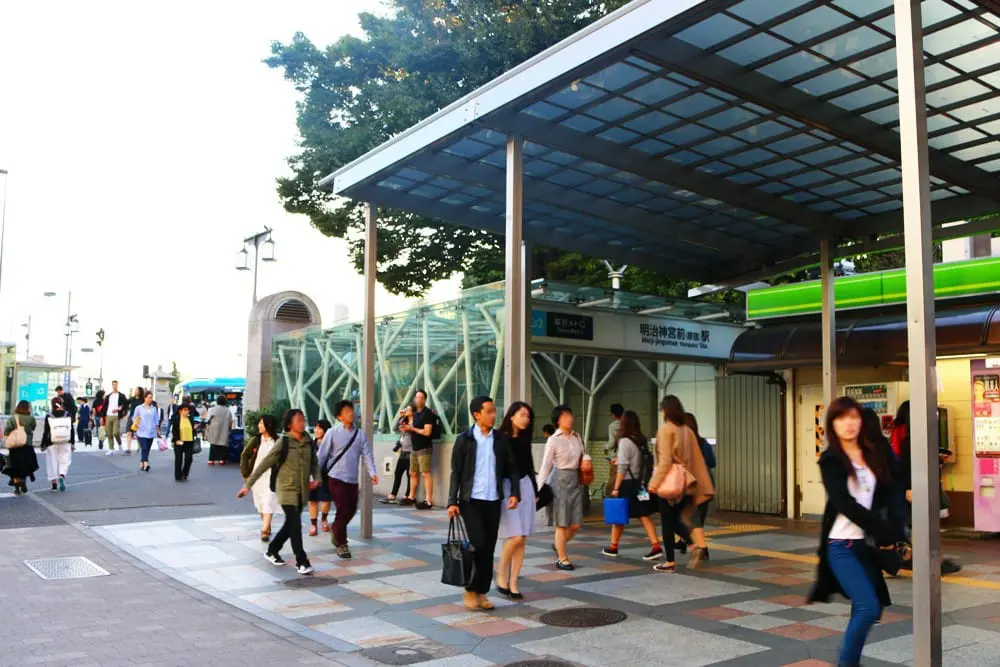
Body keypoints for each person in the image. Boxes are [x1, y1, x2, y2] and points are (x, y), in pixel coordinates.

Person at [808, 396, 906, 667]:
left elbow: (889, 488)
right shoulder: (831, 459)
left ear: (862, 421)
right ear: (832, 424)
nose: (848, 423)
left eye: (853, 417)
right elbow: (844, 503)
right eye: (841, 418)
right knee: (867, 607)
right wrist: (883, 529)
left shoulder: (871, 454)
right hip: (841, 546)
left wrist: (896, 526)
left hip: (865, 544)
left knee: (870, 608)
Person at [447, 396, 520, 611]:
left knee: (488, 548)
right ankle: (470, 589)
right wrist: (452, 501)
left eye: (494, 411)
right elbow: (456, 472)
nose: (493, 415)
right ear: (476, 415)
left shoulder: (500, 439)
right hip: (471, 501)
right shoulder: (464, 440)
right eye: (489, 411)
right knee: (477, 544)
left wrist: (515, 493)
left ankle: (481, 592)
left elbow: (512, 468)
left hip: (493, 500)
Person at [238, 409, 319, 575]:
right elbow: (264, 464)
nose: (302, 423)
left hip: (302, 490)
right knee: (295, 523)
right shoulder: (283, 442)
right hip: (286, 489)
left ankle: (272, 550)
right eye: (298, 420)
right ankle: (302, 561)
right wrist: (248, 485)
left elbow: (315, 463)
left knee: (290, 524)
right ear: (289, 424)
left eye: (303, 420)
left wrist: (317, 478)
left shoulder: (308, 441)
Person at [649, 395, 714, 573]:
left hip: (669, 482)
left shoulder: (666, 430)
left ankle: (670, 561)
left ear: (665, 411)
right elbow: (696, 459)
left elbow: (665, 461)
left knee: (667, 522)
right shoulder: (687, 431)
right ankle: (693, 546)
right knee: (676, 519)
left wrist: (654, 483)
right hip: (686, 482)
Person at [318, 401, 377, 559]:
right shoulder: (332, 433)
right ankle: (342, 544)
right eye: (346, 411)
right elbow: (321, 456)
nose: (351, 413)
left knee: (351, 509)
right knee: (343, 509)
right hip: (335, 477)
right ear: (339, 417)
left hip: (352, 479)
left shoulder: (360, 435)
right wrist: (314, 476)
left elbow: (367, 455)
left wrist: (372, 472)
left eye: (351, 410)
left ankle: (335, 527)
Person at [603, 410, 662, 561]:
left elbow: (623, 467)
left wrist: (616, 488)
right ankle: (654, 545)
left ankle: (614, 547)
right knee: (644, 514)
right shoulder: (641, 440)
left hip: (627, 484)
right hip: (639, 483)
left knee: (619, 515)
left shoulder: (624, 441)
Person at [495, 401, 537, 600]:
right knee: (516, 536)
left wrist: (535, 489)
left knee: (522, 539)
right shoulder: (500, 438)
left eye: (528, 416)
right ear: (511, 416)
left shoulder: (524, 439)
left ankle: (513, 582)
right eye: (522, 415)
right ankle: (501, 574)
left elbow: (529, 465)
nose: (526, 419)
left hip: (526, 486)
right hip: (507, 488)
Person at [538, 404, 585, 571]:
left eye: (570, 415)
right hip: (559, 482)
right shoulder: (553, 440)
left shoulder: (577, 437)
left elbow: (583, 455)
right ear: (558, 420)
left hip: (576, 481)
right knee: (562, 523)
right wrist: (538, 488)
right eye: (565, 416)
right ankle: (562, 558)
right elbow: (546, 465)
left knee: (576, 524)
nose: (570, 419)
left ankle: (559, 544)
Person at [677, 412, 716, 561]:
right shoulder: (703, 443)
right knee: (697, 514)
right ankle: (683, 541)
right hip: (706, 482)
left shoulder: (684, 444)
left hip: (690, 483)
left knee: (689, 516)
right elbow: (712, 462)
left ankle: (702, 548)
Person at [241, 414, 282, 541]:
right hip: (257, 476)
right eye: (259, 423)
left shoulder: (278, 441)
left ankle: (264, 530)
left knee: (268, 501)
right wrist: (245, 472)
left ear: (269, 425)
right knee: (260, 503)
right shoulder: (256, 440)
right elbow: (245, 455)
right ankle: (267, 526)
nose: (259, 425)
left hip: (271, 476)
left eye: (261, 423)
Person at [402, 389, 437, 509]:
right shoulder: (415, 414)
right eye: (417, 397)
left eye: (421, 397)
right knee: (412, 473)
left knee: (425, 473)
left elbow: (427, 432)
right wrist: (407, 425)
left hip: (424, 448)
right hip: (414, 447)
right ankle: (411, 497)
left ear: (425, 399)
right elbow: (410, 427)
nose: (418, 400)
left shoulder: (428, 413)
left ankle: (428, 501)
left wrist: (412, 429)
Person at [3, 400, 39, 495]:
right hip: (27, 445)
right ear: (27, 408)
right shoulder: (31, 418)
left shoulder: (12, 418)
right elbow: (33, 428)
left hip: (15, 447)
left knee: (14, 467)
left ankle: (17, 488)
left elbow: (7, 430)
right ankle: (23, 480)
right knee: (25, 466)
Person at [40, 397, 74, 492]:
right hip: (65, 440)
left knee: (52, 462)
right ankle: (62, 475)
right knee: (64, 460)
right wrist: (72, 443)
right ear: (62, 404)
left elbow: (46, 431)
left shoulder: (49, 415)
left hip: (52, 441)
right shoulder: (67, 414)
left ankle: (54, 484)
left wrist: (43, 444)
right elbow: (71, 429)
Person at [382, 406, 414, 504]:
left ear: (413, 412)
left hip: (411, 451)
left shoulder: (415, 422)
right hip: (403, 451)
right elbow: (394, 428)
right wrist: (400, 417)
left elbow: (411, 432)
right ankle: (393, 494)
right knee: (398, 473)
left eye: (408, 409)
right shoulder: (404, 420)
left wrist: (407, 427)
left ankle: (407, 496)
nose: (406, 410)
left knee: (409, 475)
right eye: (406, 409)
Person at [308, 419, 334, 536]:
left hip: (327, 475)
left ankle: (323, 519)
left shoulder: (331, 445)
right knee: (313, 500)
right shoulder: (311, 444)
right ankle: (313, 525)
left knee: (326, 500)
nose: (316, 430)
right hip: (312, 476)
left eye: (319, 428)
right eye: (315, 428)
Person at [132, 391, 160, 472]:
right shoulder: (139, 408)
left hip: (151, 432)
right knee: (144, 448)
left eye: (151, 398)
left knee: (147, 449)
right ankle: (146, 463)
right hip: (141, 431)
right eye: (149, 397)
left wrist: (158, 430)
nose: (151, 399)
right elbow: (134, 417)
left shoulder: (154, 409)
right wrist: (136, 423)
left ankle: (142, 462)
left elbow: (156, 420)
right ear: (145, 398)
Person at [205, 395, 234, 466]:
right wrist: (230, 429)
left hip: (214, 428)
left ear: (217, 401)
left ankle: (211, 460)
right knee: (222, 444)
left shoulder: (213, 409)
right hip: (224, 428)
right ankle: (221, 460)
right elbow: (230, 420)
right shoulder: (227, 410)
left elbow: (209, 419)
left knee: (213, 444)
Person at [171, 404, 196, 482]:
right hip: (179, 442)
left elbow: (192, 430)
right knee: (178, 459)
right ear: (180, 411)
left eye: (188, 410)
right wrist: (176, 440)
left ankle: (185, 473)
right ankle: (178, 476)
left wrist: (195, 430)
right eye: (185, 410)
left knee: (189, 459)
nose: (187, 411)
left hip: (189, 442)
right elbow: (174, 431)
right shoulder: (177, 419)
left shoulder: (190, 419)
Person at [100, 381, 127, 455]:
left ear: (117, 385)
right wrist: (102, 417)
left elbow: (125, 404)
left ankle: (120, 444)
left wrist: (120, 409)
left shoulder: (121, 395)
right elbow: (104, 406)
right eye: (113, 385)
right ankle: (111, 449)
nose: (115, 386)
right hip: (108, 415)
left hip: (116, 416)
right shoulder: (109, 396)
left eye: (116, 384)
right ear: (112, 386)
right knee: (109, 433)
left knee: (115, 432)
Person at [124, 387, 145, 455]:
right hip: (131, 417)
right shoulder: (132, 399)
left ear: (140, 392)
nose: (135, 391)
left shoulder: (143, 400)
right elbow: (125, 403)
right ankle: (129, 449)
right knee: (128, 433)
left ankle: (140, 447)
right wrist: (125, 412)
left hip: (138, 419)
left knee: (138, 434)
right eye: (135, 390)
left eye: (137, 390)